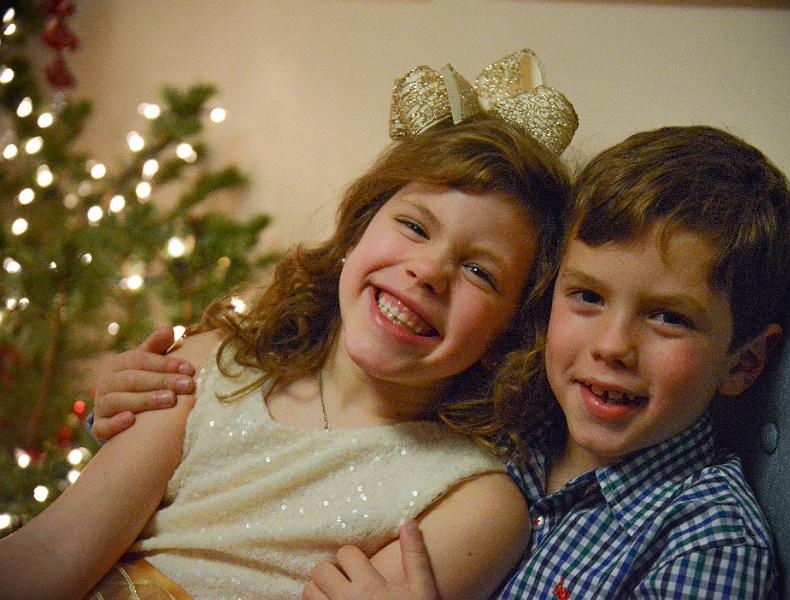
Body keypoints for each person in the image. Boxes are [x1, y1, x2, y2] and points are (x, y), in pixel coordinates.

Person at [0, 49, 579, 600]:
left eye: (479, 271)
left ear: (508, 335)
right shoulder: (211, 366)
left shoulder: (472, 502)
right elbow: (55, 551)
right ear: (356, 233)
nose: (428, 271)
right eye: (415, 226)